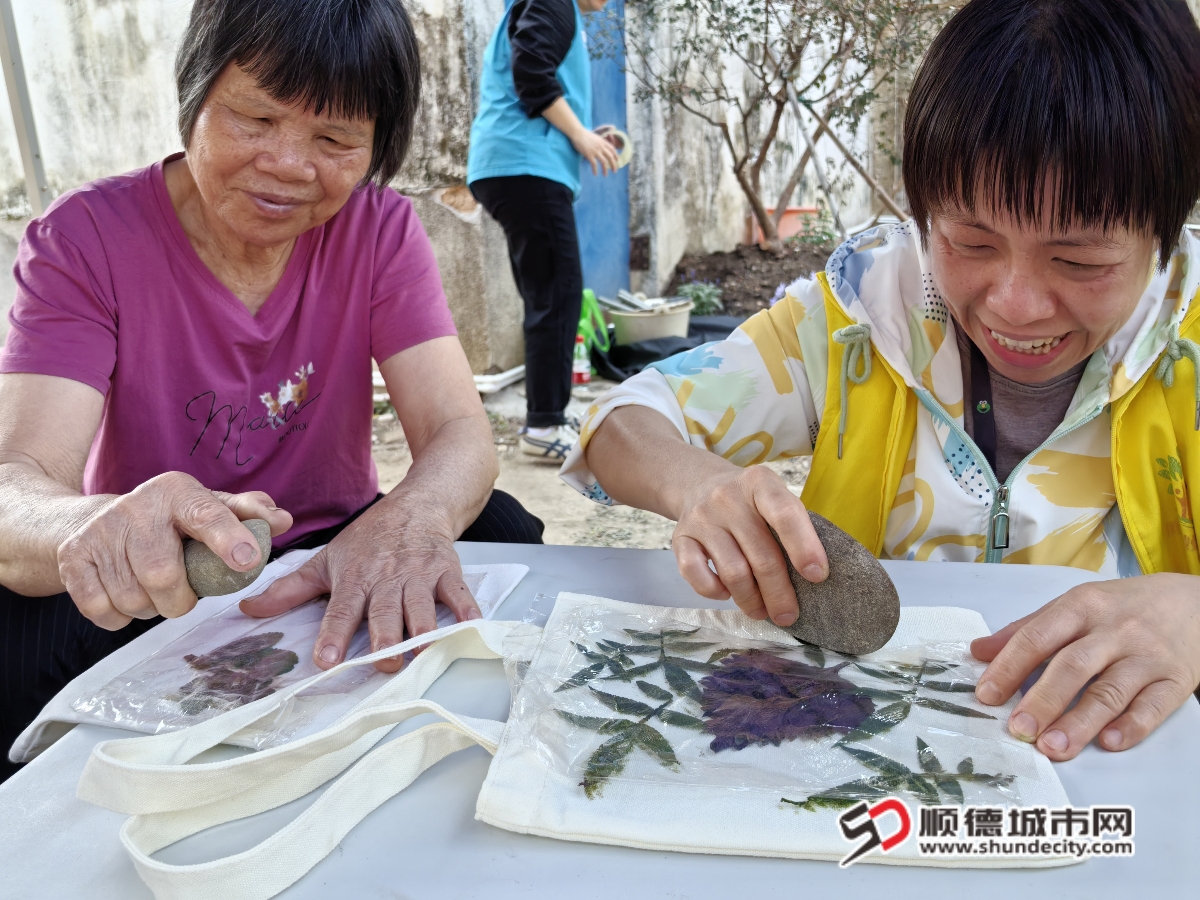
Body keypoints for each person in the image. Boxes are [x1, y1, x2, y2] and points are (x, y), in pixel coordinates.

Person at [566, 0, 1200, 762]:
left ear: (1166, 231)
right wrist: (697, 487)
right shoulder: (863, 317)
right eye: (970, 241)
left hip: (1108, 767)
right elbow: (623, 422)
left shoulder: (1186, 338)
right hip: (858, 749)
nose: (1016, 304)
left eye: (1081, 261)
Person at [0, 0, 544, 781]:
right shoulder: (84, 239)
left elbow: (460, 429)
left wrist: (406, 520)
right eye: (254, 119)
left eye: (334, 140)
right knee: (17, 616)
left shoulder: (380, 229)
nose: (289, 165)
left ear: (374, 148)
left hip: (333, 555)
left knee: (495, 523)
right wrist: (96, 524)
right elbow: (15, 481)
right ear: (193, 97)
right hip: (170, 579)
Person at [467, 0, 620, 462]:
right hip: (525, 166)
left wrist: (588, 131)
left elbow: (536, 72)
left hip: (516, 164)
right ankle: (544, 424)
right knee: (558, 292)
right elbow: (531, 71)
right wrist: (580, 136)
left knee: (551, 293)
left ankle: (548, 415)